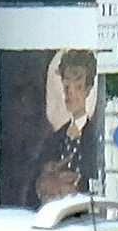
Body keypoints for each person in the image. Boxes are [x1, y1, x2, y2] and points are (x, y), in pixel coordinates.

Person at [31, 49, 100, 206]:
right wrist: (46, 179)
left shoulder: (94, 137)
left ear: (88, 90)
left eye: (78, 87)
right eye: (66, 86)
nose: (70, 94)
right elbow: (37, 185)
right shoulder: (54, 139)